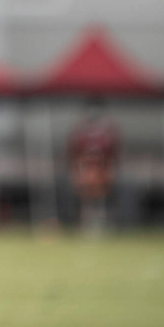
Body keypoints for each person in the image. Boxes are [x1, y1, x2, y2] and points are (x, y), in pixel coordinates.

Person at [66, 100, 119, 233]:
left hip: (101, 168)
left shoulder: (108, 132)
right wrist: (76, 171)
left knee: (101, 197)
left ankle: (102, 224)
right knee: (86, 197)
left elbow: (112, 154)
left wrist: (110, 170)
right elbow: (73, 153)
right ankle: (86, 225)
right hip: (86, 168)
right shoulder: (80, 131)